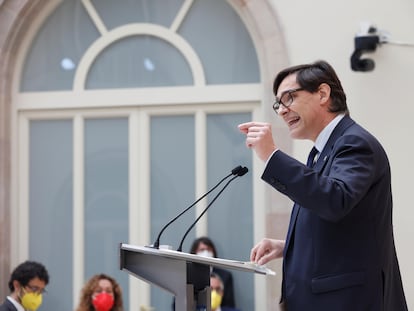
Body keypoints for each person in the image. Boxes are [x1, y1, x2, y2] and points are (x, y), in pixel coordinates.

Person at [238, 60, 408, 310]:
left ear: (322, 93)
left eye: (289, 98)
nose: (282, 110)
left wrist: (272, 155)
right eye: (278, 104)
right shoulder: (323, 151)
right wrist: (287, 247)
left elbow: (335, 200)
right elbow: (340, 225)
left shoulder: (355, 143)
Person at [190, 237, 235, 308]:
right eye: (202, 250)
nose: (206, 252)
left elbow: (230, 304)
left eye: (209, 249)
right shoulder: (188, 275)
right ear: (194, 253)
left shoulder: (225, 275)